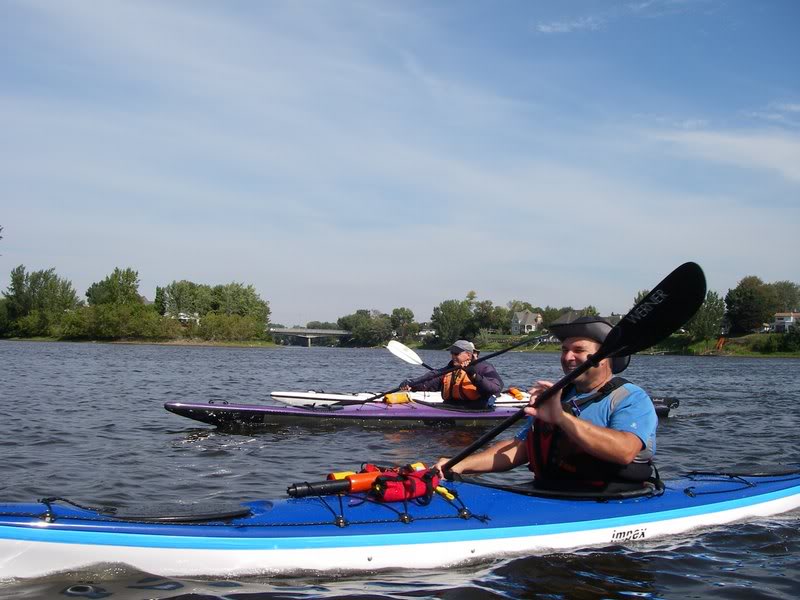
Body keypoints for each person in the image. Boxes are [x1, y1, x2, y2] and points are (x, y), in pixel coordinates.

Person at [434, 317, 658, 491]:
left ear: (605, 358)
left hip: (608, 498)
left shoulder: (631, 398)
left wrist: (560, 417)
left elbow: (625, 451)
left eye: (578, 350)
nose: (567, 357)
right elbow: (519, 449)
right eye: (564, 350)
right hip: (551, 491)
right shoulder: (558, 397)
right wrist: (459, 464)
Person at [400, 339, 503, 410]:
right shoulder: (451, 368)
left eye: (456, 353)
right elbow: (432, 379)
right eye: (452, 353)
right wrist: (412, 384)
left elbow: (496, 388)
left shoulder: (483, 367)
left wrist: (473, 375)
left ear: (468, 354)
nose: (453, 356)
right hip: (451, 407)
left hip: (475, 409)